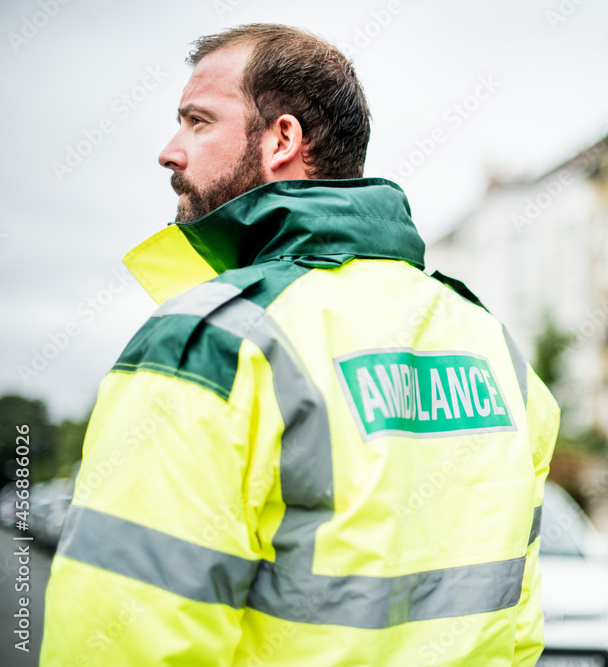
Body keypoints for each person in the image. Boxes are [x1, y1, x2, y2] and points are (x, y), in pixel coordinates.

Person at [40, 24, 558, 666]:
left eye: (198, 121)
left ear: (282, 138)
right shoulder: (493, 348)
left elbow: (124, 639)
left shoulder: (209, 340)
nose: (170, 152)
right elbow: (518, 630)